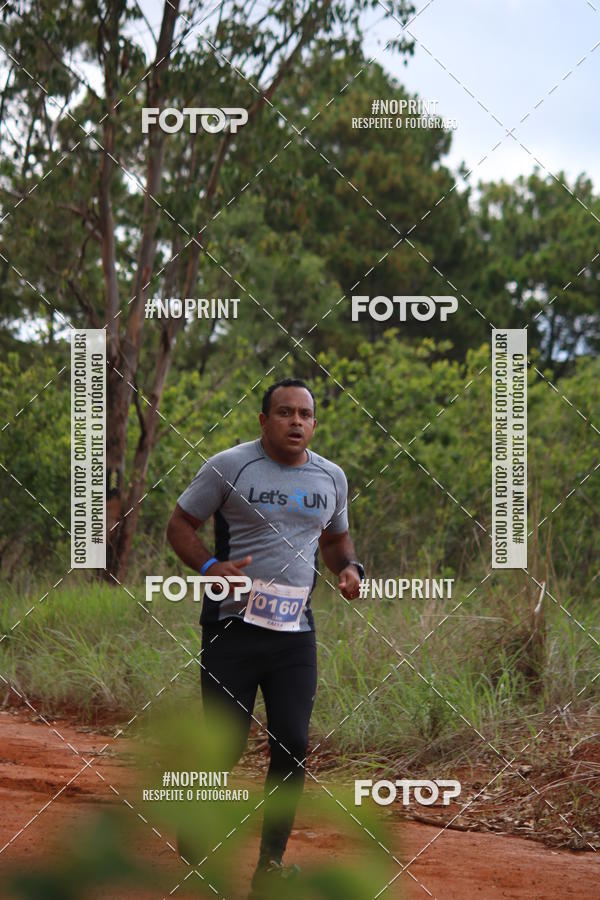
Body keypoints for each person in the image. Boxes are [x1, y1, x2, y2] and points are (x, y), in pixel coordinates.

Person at [167, 378, 365, 898]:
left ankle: (269, 866)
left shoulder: (331, 477)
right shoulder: (229, 466)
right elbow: (180, 525)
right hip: (231, 631)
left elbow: (336, 539)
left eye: (305, 414)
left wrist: (349, 570)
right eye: (284, 412)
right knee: (226, 746)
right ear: (263, 420)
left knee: (293, 743)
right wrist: (211, 566)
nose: (295, 421)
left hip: (293, 635)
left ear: (315, 424)